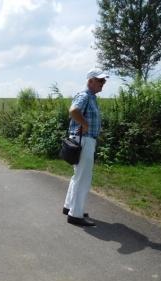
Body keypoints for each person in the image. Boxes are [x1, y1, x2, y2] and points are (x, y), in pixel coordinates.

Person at [63, 68, 109, 227]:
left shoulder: (91, 97)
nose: (103, 84)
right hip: (84, 140)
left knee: (78, 176)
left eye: (104, 81)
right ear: (90, 81)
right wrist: (85, 124)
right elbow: (73, 111)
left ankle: (69, 206)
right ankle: (75, 214)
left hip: (85, 139)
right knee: (84, 178)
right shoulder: (84, 95)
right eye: (100, 80)